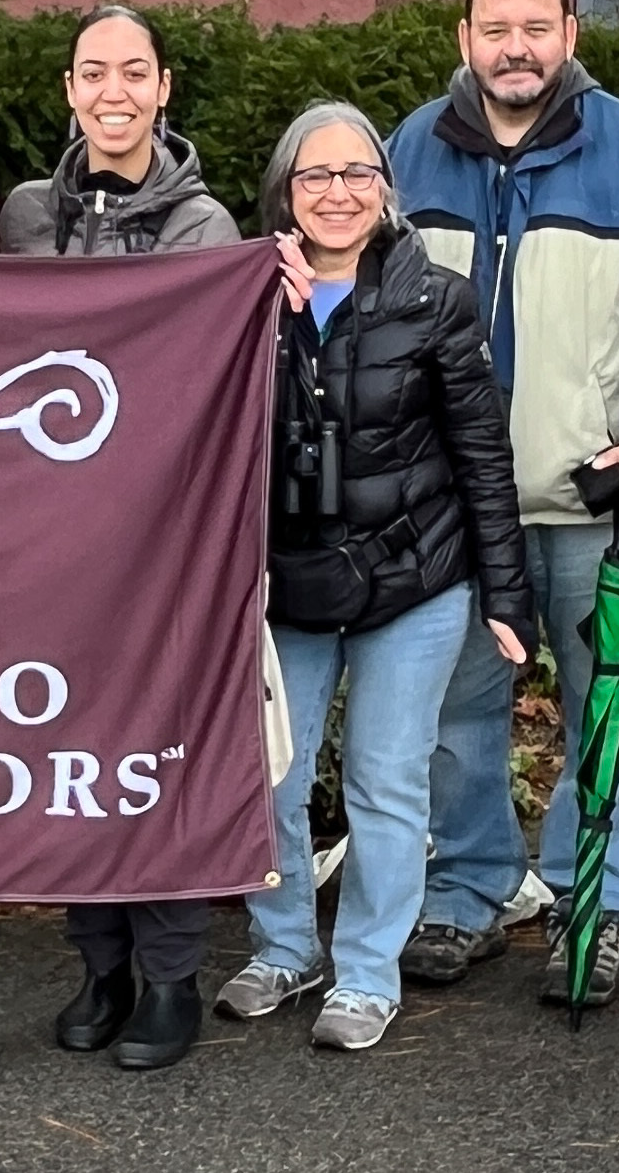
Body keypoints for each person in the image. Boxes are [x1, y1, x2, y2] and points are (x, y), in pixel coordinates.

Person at [388, 0, 619, 1007]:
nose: (516, 47)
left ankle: (596, 899)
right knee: (456, 717)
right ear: (465, 40)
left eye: (535, 27)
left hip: (592, 502)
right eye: (495, 28)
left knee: (605, 714)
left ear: (567, 35)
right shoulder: (408, 152)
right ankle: (466, 893)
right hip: (452, 513)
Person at [218, 101, 532, 1054]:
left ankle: (364, 968)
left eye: (357, 174)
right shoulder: (242, 295)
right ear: (285, 191)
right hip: (292, 580)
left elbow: (481, 450)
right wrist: (259, 314)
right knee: (270, 771)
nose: (337, 193)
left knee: (385, 776)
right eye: (315, 176)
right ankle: (281, 947)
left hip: (414, 576)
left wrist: (506, 594)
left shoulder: (435, 296)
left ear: (386, 190)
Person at [0, 3, 240, 1069]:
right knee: (66, 764)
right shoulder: (20, 217)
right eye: (94, 73)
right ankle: (98, 965)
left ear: (163, 88)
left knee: (157, 762)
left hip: (163, 545)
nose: (112, 93)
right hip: (47, 546)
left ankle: (170, 975)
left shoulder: (207, 231)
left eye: (132, 73)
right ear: (68, 89)